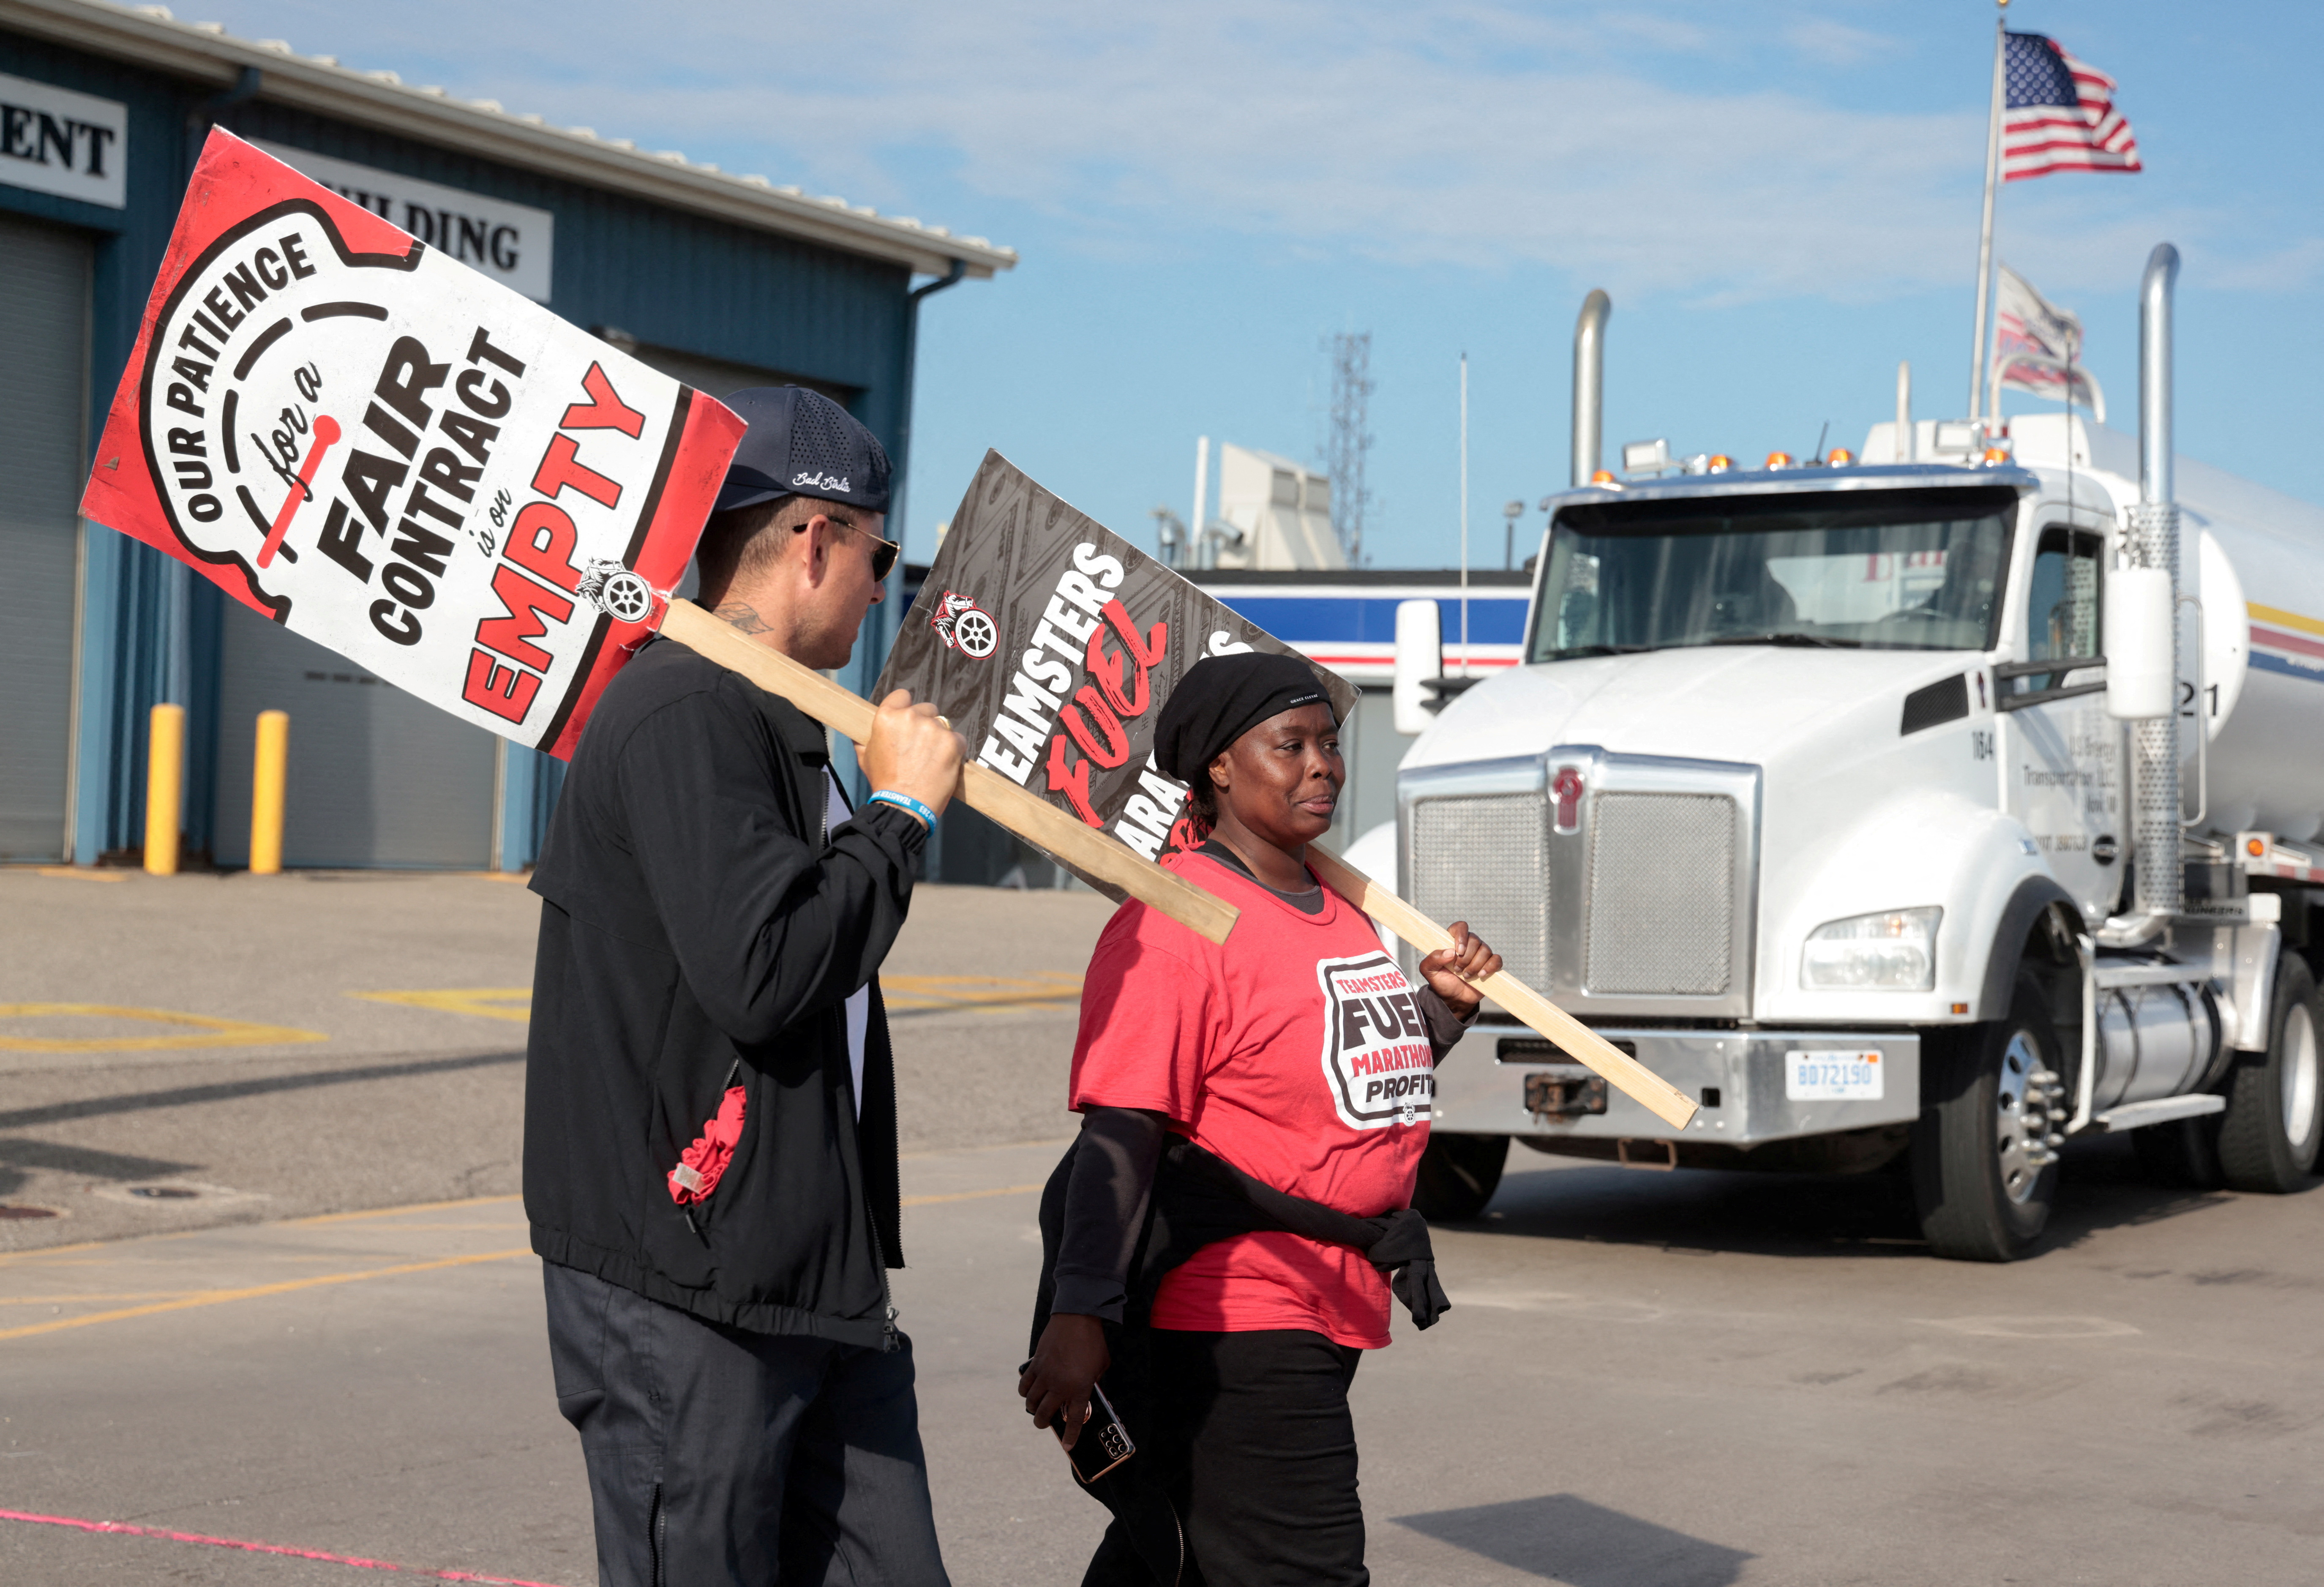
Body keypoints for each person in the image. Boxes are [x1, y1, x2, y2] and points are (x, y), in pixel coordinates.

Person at [525, 386, 966, 1587]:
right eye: (879, 554)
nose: (884, 586)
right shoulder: (685, 708)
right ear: (814, 538)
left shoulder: (777, 721)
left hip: (810, 1278)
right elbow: (767, 968)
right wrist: (899, 817)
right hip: (690, 1287)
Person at [1018, 650, 1502, 1587]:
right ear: (1219, 770)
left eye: (1328, 742)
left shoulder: (1342, 907)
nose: (1322, 764)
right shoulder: (1177, 923)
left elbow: (1342, 1083)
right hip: (1237, 1312)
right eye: (1291, 744)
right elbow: (1121, 1133)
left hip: (1329, 1298)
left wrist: (1437, 1010)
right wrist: (1081, 1314)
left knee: (1180, 1563)